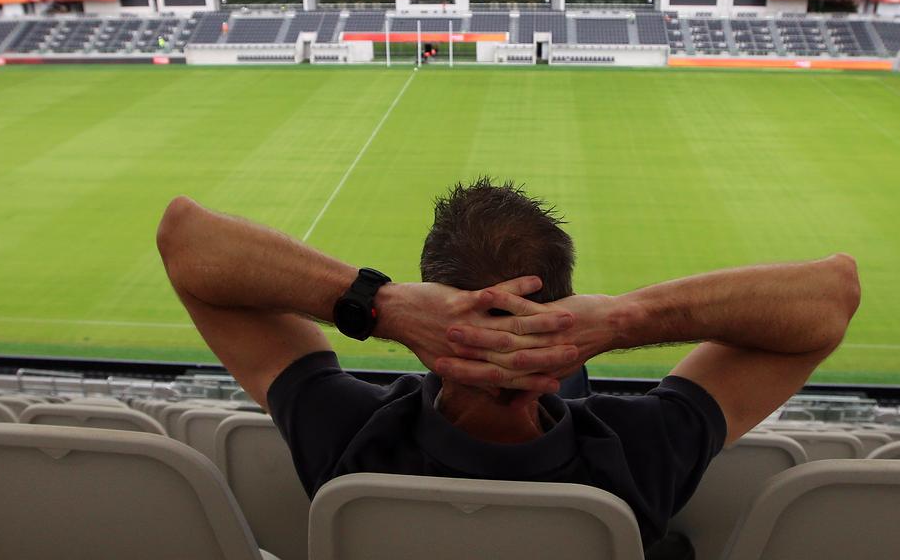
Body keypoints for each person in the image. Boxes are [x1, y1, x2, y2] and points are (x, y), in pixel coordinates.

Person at [156, 178, 860, 549]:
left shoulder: (350, 438)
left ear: (433, 306)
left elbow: (185, 239)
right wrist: (623, 319)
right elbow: (832, 295)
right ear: (569, 305)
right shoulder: (640, 453)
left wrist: (382, 305)